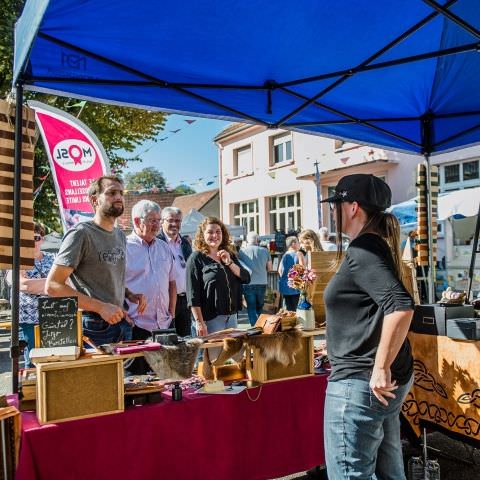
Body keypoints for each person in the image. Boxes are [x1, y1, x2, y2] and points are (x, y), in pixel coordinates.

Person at [321, 174, 414, 479]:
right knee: (390, 472)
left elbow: (400, 306)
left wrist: (380, 367)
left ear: (353, 208)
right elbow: (374, 309)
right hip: (373, 383)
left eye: (337, 204)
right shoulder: (374, 247)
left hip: (359, 385)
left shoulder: (364, 250)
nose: (333, 211)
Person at [46, 176, 146, 346]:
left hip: (120, 322)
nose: (119, 197)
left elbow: (107, 277)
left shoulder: (120, 235)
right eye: (111, 193)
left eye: (121, 193)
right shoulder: (81, 233)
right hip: (94, 325)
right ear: (94, 199)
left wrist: (129, 295)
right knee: (97, 374)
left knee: (120, 374)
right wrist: (101, 307)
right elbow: (53, 286)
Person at [126, 200, 176, 374]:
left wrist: (172, 312)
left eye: (159, 220)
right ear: (137, 221)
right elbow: (114, 285)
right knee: (137, 382)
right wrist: (124, 315)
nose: (157, 225)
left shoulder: (164, 247)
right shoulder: (123, 247)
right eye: (152, 220)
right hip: (136, 326)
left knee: (164, 379)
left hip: (163, 325)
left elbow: (172, 282)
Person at [186, 217, 250, 337]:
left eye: (218, 232)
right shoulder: (196, 258)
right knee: (213, 355)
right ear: (202, 235)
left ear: (223, 234)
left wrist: (229, 262)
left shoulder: (229, 254)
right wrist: (199, 322)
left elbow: (246, 278)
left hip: (232, 316)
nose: (214, 235)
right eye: (210, 232)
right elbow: (192, 295)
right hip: (211, 319)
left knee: (231, 353)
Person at [6, 223, 55, 367]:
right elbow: (22, 285)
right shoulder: (17, 260)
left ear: (42, 239)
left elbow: (68, 282)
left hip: (54, 318)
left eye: (35, 238)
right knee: (34, 363)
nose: (31, 242)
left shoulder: (53, 258)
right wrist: (53, 284)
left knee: (55, 361)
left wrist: (36, 285)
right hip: (29, 322)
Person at [158, 206, 193, 337]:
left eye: (178, 221)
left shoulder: (185, 242)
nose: (174, 224)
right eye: (171, 220)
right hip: (165, 301)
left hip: (185, 300)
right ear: (162, 221)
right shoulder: (157, 242)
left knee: (186, 342)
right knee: (168, 341)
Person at [239, 231, 272, 326]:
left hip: (247, 283)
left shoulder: (242, 251)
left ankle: (255, 327)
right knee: (260, 306)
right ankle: (262, 325)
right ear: (257, 240)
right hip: (262, 282)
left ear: (247, 240)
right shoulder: (265, 251)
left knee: (251, 307)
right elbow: (270, 269)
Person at [278, 236, 303, 311]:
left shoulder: (285, 255)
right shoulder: (298, 254)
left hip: (285, 285)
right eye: (298, 242)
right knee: (297, 308)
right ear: (293, 244)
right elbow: (302, 269)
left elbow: (280, 270)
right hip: (296, 285)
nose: (299, 244)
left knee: (288, 308)